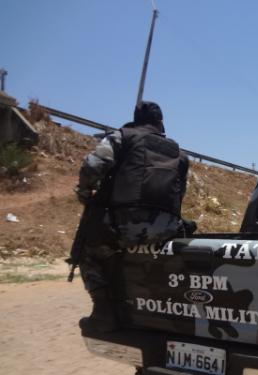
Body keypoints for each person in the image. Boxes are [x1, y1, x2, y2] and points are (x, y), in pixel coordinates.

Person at [71, 101, 191, 332]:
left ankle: (103, 311)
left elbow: (92, 166)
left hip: (125, 226)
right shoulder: (180, 154)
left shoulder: (122, 137)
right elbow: (180, 193)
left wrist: (85, 193)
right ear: (160, 123)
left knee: (88, 250)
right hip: (166, 229)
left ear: (136, 120)